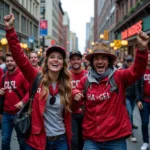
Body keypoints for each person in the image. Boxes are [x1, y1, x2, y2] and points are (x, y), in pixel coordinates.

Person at [4, 14, 72, 150]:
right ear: (46, 61)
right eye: (52, 57)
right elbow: (19, 56)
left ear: (63, 63)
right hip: (38, 140)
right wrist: (10, 30)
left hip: (61, 141)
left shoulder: (67, 85)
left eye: (59, 58)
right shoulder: (36, 76)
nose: (55, 60)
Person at [72, 33, 149, 150]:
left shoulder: (118, 76)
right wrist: (75, 93)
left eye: (103, 58)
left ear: (109, 61)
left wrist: (142, 50)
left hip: (115, 139)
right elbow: (75, 92)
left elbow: (136, 71)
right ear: (92, 62)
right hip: (92, 139)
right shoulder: (85, 80)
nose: (100, 61)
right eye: (96, 58)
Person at [0, 52, 29, 150]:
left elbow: (30, 92)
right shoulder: (3, 77)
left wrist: (22, 102)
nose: (9, 63)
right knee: (4, 140)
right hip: (6, 114)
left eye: (12, 61)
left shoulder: (22, 75)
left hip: (20, 114)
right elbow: (1, 91)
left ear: (16, 62)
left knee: (22, 141)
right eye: (7, 61)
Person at [69, 50, 88, 150]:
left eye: (78, 59)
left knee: (83, 140)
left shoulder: (87, 75)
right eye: (73, 59)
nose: (75, 61)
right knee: (74, 141)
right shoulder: (66, 75)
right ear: (70, 61)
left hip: (85, 112)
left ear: (81, 60)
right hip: (71, 112)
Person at [122, 55, 138, 143]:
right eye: (128, 61)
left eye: (131, 61)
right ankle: (130, 133)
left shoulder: (135, 69)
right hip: (126, 96)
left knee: (130, 112)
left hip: (134, 96)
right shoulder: (123, 71)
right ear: (125, 62)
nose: (129, 63)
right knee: (130, 113)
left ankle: (130, 125)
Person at [136, 53, 150, 150]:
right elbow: (137, 85)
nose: (149, 59)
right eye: (148, 57)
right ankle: (146, 141)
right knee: (144, 123)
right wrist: (138, 100)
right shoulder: (141, 71)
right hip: (144, 101)